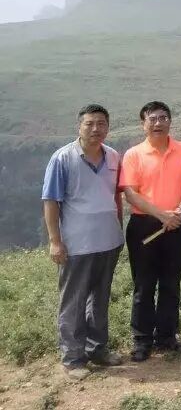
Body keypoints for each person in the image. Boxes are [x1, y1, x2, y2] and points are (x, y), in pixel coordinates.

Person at [41, 104, 125, 379]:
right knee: (73, 302)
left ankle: (97, 349)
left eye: (101, 123)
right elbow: (51, 201)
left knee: (100, 300)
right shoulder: (62, 158)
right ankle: (73, 358)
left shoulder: (113, 156)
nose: (95, 129)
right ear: (79, 126)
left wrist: (119, 230)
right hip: (77, 245)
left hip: (108, 241)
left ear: (108, 127)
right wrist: (55, 241)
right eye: (89, 123)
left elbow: (115, 197)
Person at [120, 101, 181, 362]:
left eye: (163, 118)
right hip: (144, 225)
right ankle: (141, 340)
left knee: (171, 283)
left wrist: (179, 211)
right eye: (152, 119)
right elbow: (130, 193)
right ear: (143, 124)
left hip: (176, 223)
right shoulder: (133, 154)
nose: (158, 123)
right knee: (143, 284)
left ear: (170, 122)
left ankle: (166, 336)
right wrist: (161, 214)